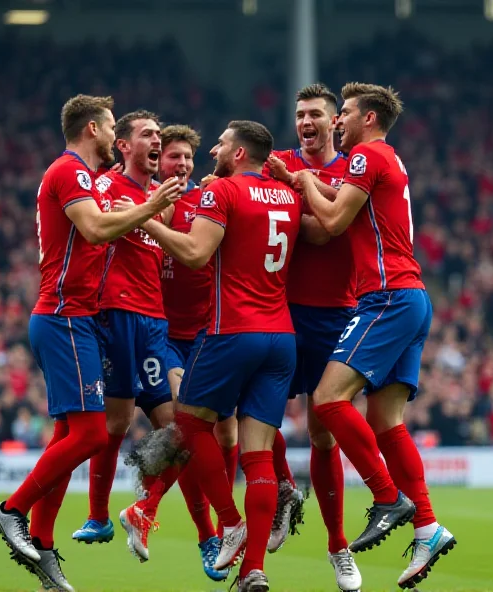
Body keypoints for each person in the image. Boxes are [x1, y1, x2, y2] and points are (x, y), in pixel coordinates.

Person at [0, 95, 182, 592]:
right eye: (112, 125)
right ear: (93, 129)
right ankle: (12, 512)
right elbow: (94, 228)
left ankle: (46, 548)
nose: (115, 134)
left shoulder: (87, 178)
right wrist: (152, 206)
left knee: (69, 436)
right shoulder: (70, 171)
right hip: (65, 315)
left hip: (80, 319)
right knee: (94, 435)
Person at [297, 82, 456, 590]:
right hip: (412, 297)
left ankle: (387, 497)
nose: (337, 122)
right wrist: (304, 179)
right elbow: (342, 207)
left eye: (342, 113)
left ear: (368, 118)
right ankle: (427, 525)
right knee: (387, 422)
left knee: (326, 400)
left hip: (385, 296)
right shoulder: (390, 158)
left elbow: (335, 221)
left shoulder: (366, 156)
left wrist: (302, 182)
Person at [142, 120, 302, 592]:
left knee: (189, 425)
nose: (212, 148)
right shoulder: (288, 197)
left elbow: (193, 254)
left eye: (221, 143)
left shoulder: (223, 193)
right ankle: (254, 569)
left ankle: (227, 523)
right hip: (281, 337)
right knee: (256, 460)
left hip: (231, 330)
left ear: (237, 154)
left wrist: (145, 217)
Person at [71, 110, 183, 561]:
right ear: (124, 145)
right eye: (147, 135)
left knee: (180, 431)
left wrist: (150, 210)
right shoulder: (104, 186)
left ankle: (144, 506)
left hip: (154, 322)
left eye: (160, 135)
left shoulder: (164, 200)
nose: (156, 141)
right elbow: (92, 232)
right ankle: (98, 517)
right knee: (114, 424)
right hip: (114, 313)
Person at [265, 83, 361, 591]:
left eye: (316, 115)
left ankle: (338, 546)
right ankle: (283, 491)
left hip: (335, 313)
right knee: (253, 417)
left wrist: (297, 194)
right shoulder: (275, 163)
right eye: (300, 114)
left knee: (324, 431)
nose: (306, 121)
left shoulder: (351, 170)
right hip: (279, 309)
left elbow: (327, 232)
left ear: (333, 123)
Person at [157, 124, 236, 582]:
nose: (183, 165)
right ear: (158, 160)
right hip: (166, 337)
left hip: (211, 332)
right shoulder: (143, 204)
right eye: (173, 157)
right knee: (187, 430)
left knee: (225, 439)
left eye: (188, 157)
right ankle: (211, 533)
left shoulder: (207, 201)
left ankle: (225, 527)